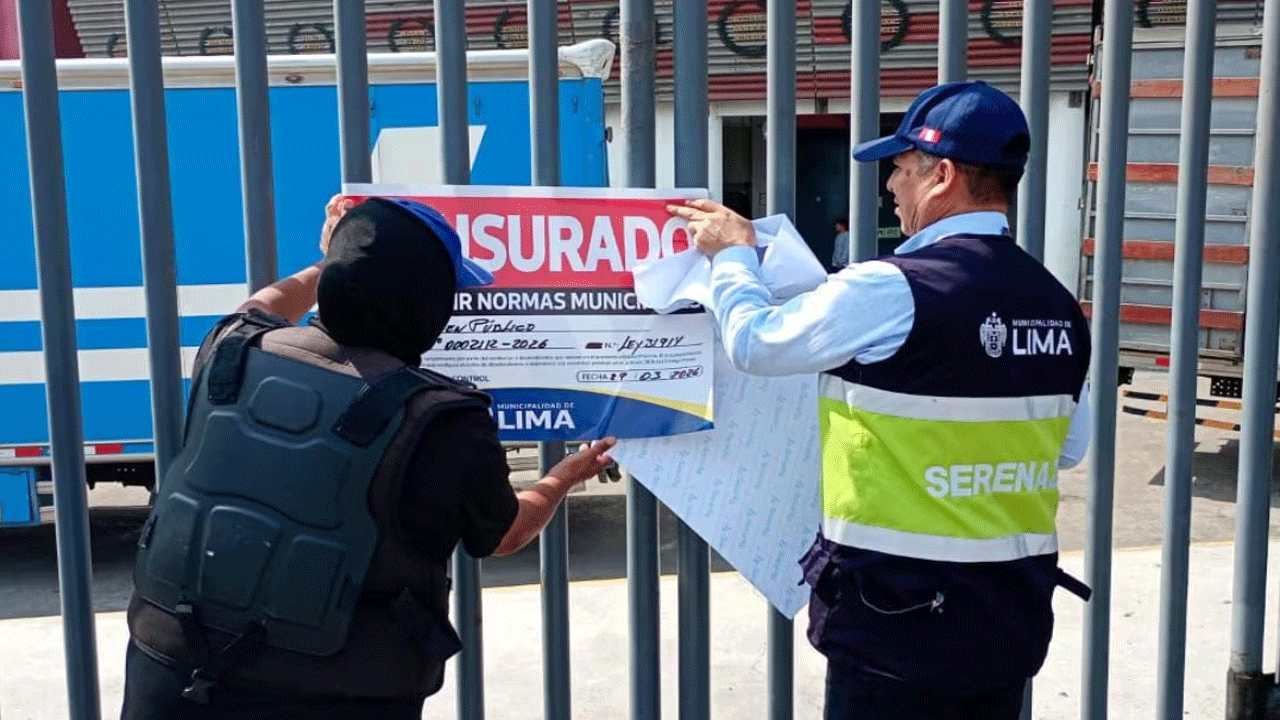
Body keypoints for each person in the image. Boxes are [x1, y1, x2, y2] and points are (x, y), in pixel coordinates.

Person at [668, 81, 1093, 720]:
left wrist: (734, 257)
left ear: (941, 174)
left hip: (895, 627)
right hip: (1006, 623)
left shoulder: (889, 289)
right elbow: (1068, 448)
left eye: (898, 169)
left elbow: (756, 344)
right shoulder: (1056, 303)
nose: (889, 187)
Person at [119, 194, 616, 720]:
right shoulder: (443, 420)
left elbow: (264, 304)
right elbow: (506, 534)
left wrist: (328, 258)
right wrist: (568, 472)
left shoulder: (229, 351)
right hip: (336, 694)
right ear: (426, 303)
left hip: (173, 672)